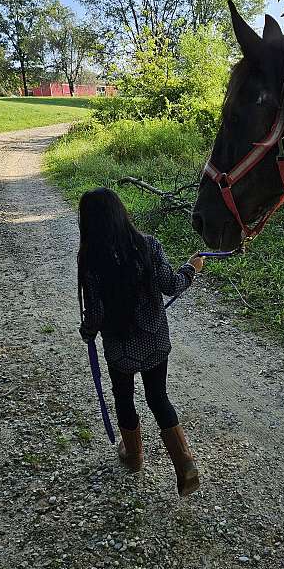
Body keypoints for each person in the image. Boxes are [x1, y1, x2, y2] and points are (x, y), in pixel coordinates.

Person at [77, 187, 205, 497]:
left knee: (124, 398)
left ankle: (133, 457)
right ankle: (184, 462)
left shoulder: (91, 260)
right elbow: (172, 284)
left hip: (120, 350)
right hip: (155, 343)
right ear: (122, 214)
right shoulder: (148, 246)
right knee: (157, 397)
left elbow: (94, 312)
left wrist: (88, 331)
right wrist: (191, 268)